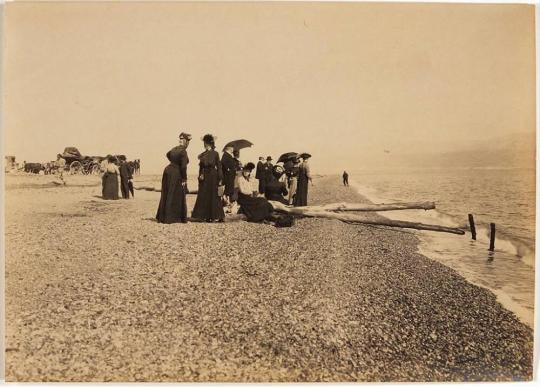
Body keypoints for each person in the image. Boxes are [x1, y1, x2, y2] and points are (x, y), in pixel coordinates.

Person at [156, 132, 191, 224]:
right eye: (187, 141)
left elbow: (167, 154)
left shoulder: (174, 149)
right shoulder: (183, 151)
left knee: (166, 192)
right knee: (176, 193)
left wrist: (173, 161)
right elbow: (183, 167)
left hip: (167, 170)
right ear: (186, 142)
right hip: (176, 172)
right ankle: (173, 218)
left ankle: (163, 216)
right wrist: (184, 179)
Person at [192, 134, 225, 222]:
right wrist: (199, 177)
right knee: (204, 195)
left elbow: (219, 166)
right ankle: (205, 216)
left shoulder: (215, 153)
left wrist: (220, 178)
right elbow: (201, 167)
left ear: (211, 144)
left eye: (207, 144)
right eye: (205, 144)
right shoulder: (203, 154)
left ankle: (217, 216)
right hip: (204, 177)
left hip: (213, 176)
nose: (205, 145)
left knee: (214, 196)